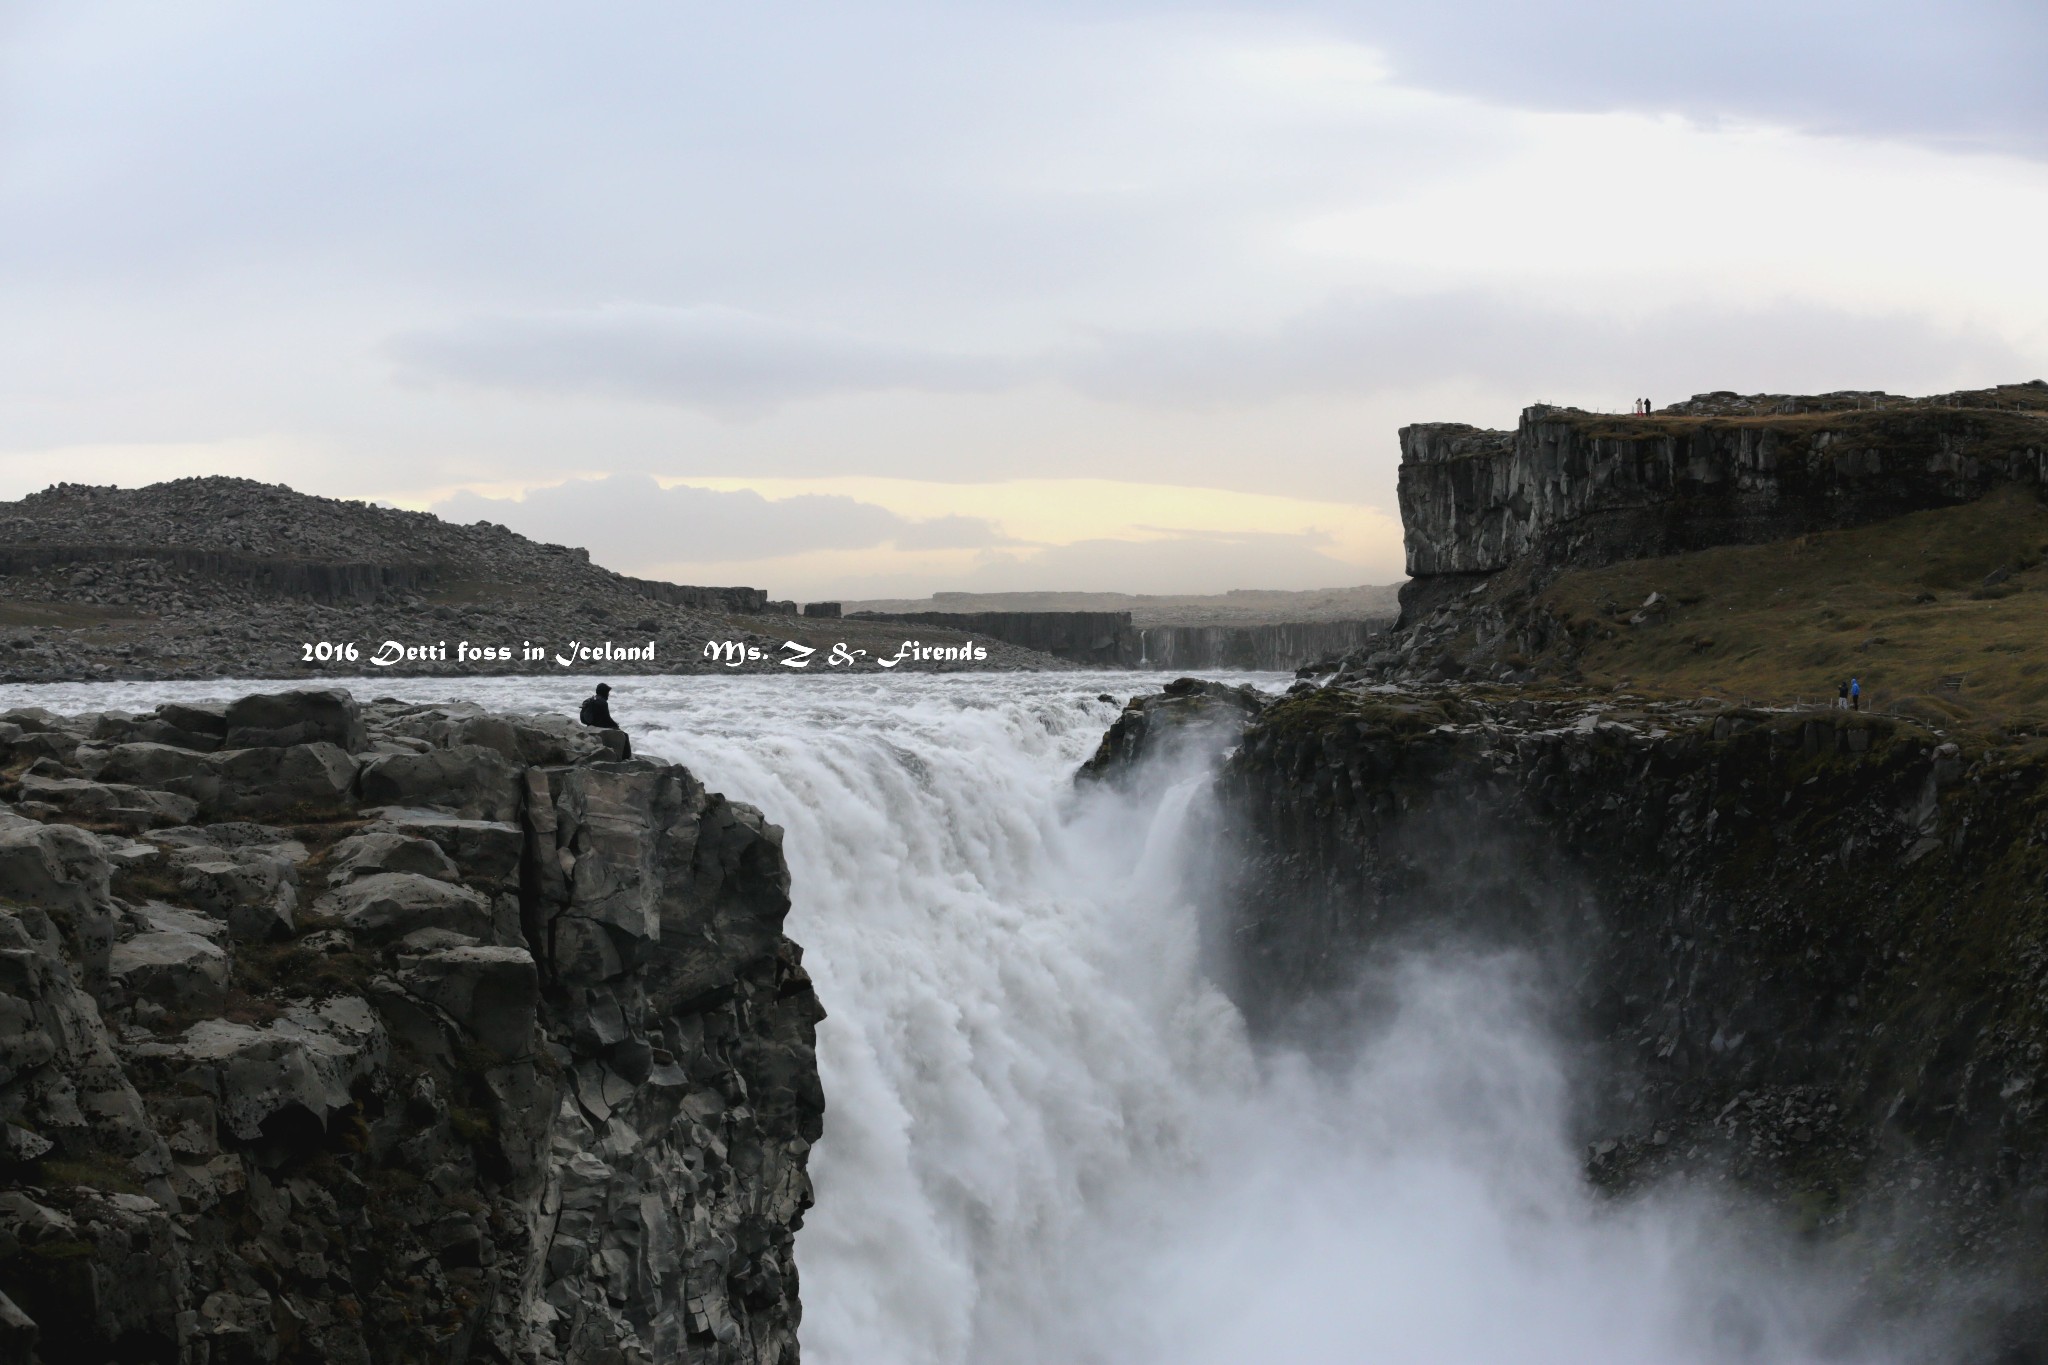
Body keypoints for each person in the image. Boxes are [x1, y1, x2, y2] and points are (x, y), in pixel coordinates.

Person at [579, 682, 632, 758]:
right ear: (604, 692)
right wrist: (615, 725)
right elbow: (607, 718)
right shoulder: (603, 702)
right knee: (625, 735)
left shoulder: (591, 699)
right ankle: (626, 757)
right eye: (608, 692)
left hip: (591, 724)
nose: (608, 695)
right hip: (600, 724)